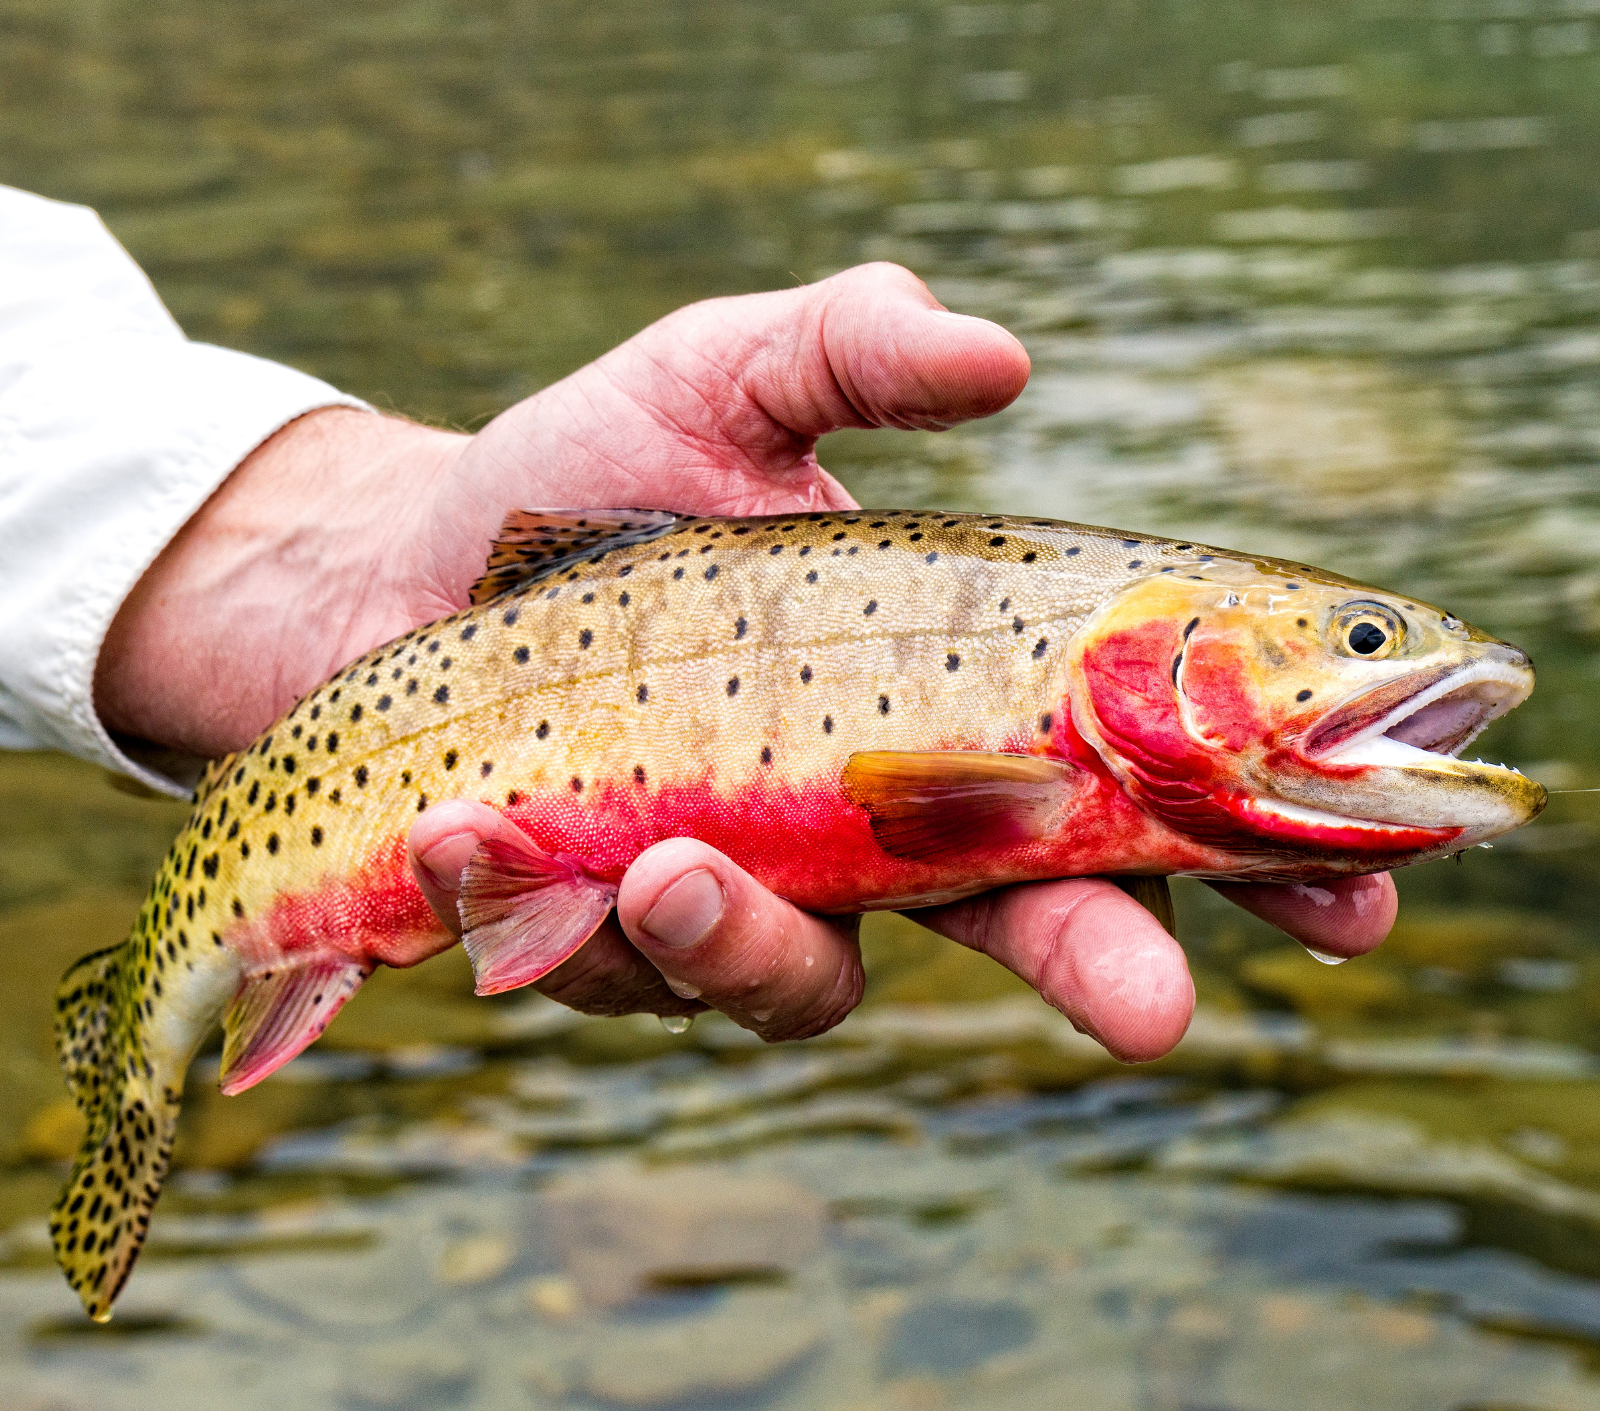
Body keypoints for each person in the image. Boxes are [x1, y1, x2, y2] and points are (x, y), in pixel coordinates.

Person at [0, 183, 1394, 1058]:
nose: (1382, 672)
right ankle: (128, 1040)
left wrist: (338, 541)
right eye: (1364, 643)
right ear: (1167, 652)